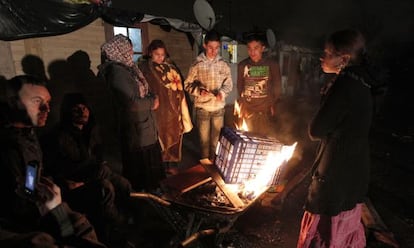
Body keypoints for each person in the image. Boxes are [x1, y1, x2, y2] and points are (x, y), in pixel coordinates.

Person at [0, 75, 106, 247]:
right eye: (37, 101)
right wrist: (54, 209)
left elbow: (31, 178)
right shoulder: (7, 146)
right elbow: (17, 199)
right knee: (67, 228)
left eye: (48, 102)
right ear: (13, 102)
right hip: (22, 221)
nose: (46, 109)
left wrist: (58, 187)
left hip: (41, 206)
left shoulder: (28, 134)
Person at [297, 29, 373, 248]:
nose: (322, 57)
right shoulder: (363, 82)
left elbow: (316, 130)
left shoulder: (344, 86)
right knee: (344, 227)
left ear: (344, 59)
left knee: (326, 232)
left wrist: (325, 98)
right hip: (356, 167)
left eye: (328, 53)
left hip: (336, 171)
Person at [40, 92, 133, 242]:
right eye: (77, 108)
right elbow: (53, 168)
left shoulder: (91, 130)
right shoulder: (58, 137)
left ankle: (131, 218)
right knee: (105, 188)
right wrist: (66, 183)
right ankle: (118, 225)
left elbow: (98, 156)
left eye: (85, 108)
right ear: (68, 112)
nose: (82, 112)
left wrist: (100, 166)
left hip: (94, 174)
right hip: (74, 182)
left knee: (124, 184)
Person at [98, 34, 165, 192]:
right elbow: (131, 102)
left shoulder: (129, 68)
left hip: (143, 126)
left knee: (148, 165)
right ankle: (145, 198)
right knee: (142, 169)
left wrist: (151, 96)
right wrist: (152, 102)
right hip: (137, 130)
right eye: (129, 48)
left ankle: (150, 193)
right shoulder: (118, 73)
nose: (132, 51)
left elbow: (143, 89)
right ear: (120, 50)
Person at [138, 40, 192, 174]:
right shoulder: (144, 68)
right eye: (157, 54)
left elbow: (179, 87)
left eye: (162, 54)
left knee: (175, 135)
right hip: (158, 110)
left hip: (174, 109)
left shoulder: (171, 67)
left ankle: (172, 165)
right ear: (150, 53)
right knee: (160, 136)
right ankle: (160, 167)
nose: (160, 57)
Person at [184, 30, 233, 163]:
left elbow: (229, 84)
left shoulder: (223, 64)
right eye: (210, 47)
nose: (214, 51)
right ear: (205, 45)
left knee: (216, 141)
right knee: (204, 141)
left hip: (218, 109)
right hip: (203, 109)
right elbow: (187, 84)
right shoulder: (197, 64)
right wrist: (199, 91)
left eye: (216, 48)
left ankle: (214, 164)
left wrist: (222, 93)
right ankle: (205, 168)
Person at [236, 32, 281, 136]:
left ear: (263, 48)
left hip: (264, 113)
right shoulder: (242, 65)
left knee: (262, 140)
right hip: (248, 112)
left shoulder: (272, 65)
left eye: (256, 48)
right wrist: (242, 103)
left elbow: (277, 87)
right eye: (250, 48)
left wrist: (272, 104)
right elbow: (240, 86)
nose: (252, 52)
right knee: (248, 140)